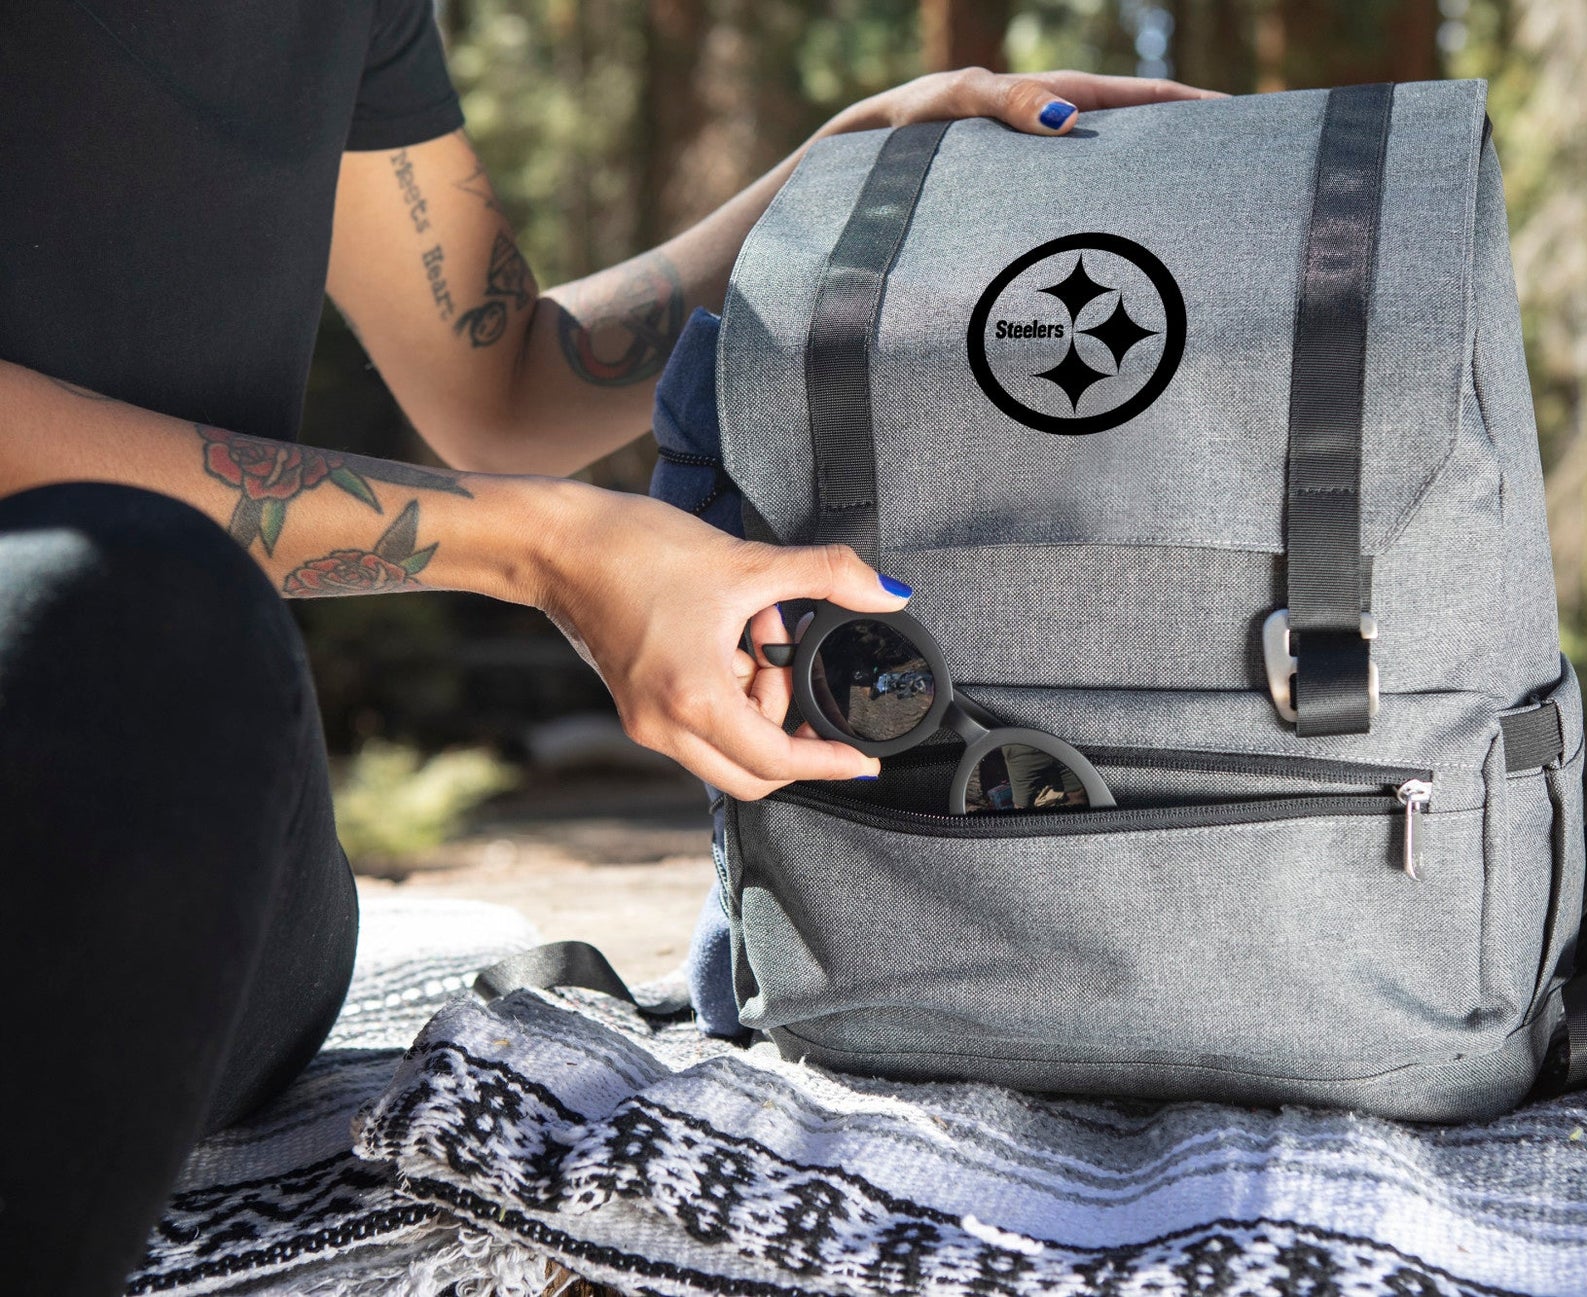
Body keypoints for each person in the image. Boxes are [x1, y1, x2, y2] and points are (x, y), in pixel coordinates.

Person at [0, 1, 1217, 1289]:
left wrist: (838, 175)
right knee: (127, 599)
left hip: (190, 884)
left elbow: (504, 386)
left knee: (154, 631)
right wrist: (552, 547)